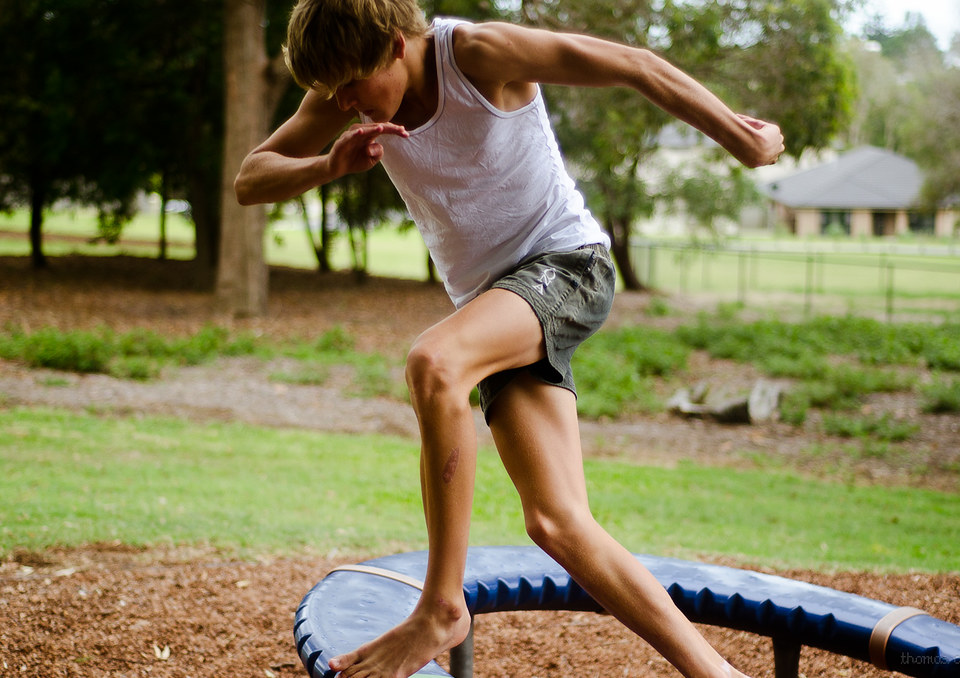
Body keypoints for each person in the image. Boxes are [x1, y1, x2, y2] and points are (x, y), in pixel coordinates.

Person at [235, 1, 783, 676]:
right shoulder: (343, 91)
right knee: (555, 523)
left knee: (435, 363)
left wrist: (739, 136)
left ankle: (440, 606)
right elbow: (249, 179)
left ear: (394, 48)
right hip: (496, 305)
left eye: (352, 86)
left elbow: (633, 65)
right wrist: (327, 167)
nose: (345, 103)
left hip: (567, 266)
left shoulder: (478, 55)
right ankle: (716, 673)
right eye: (335, 94)